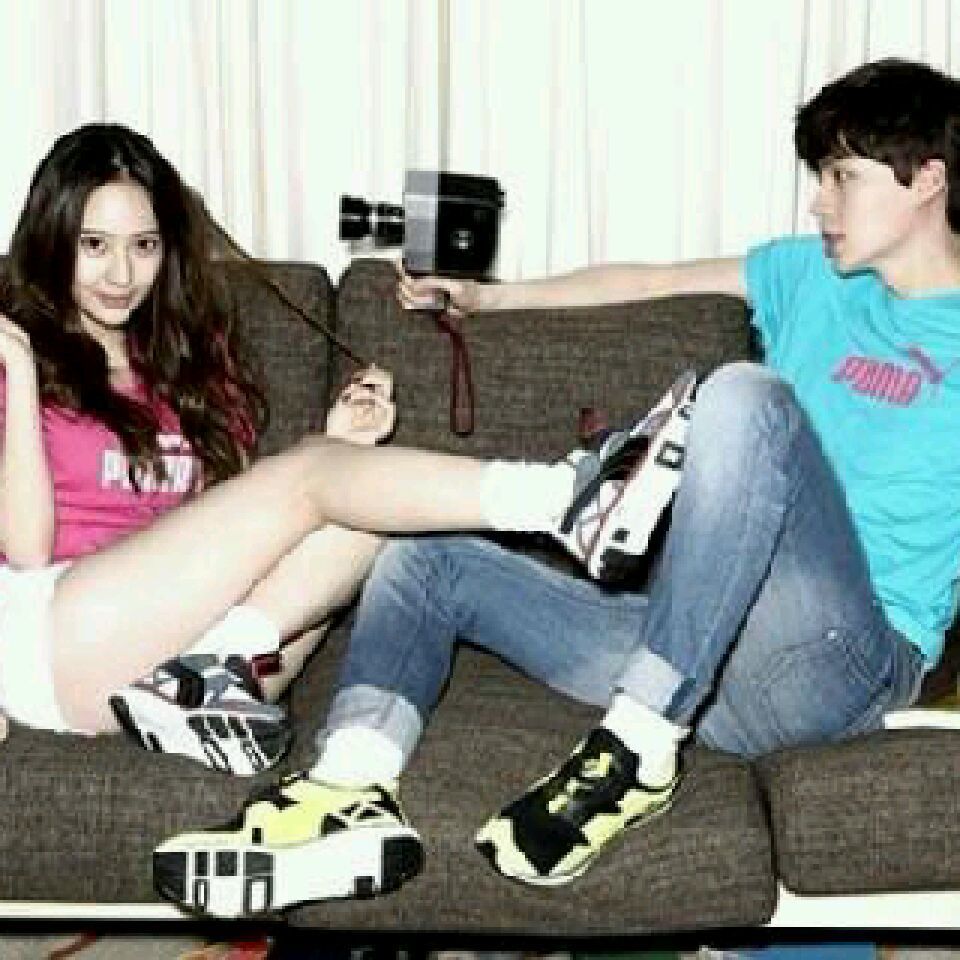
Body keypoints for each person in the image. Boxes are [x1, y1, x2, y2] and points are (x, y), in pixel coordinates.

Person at [154, 56, 958, 915]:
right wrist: (487, 302)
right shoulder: (808, 278)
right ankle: (346, 792)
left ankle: (636, 744)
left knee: (743, 396)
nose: (819, 203)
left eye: (841, 177)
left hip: (843, 659)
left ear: (927, 179)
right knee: (425, 559)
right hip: (699, 657)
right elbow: (647, 282)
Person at [0, 123, 607, 778]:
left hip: (168, 660)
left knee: (372, 514)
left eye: (143, 245)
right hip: (58, 645)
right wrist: (20, 374)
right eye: (94, 244)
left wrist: (336, 446)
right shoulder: (16, 356)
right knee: (322, 478)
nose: (121, 274)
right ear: (53, 238)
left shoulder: (186, 367)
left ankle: (211, 675)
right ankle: (567, 498)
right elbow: (27, 553)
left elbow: (223, 537)